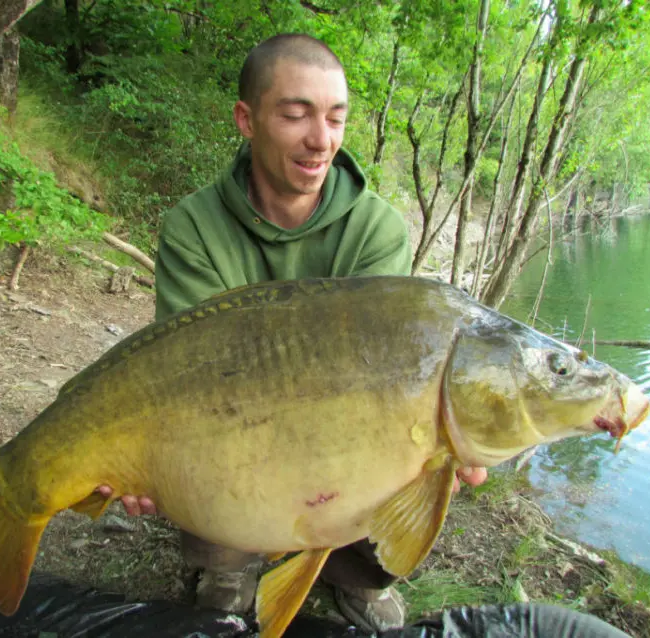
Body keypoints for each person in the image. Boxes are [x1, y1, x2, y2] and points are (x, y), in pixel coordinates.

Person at [115, 33, 488, 632]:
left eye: (335, 118)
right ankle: (229, 561)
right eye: (296, 115)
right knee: (195, 440)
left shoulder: (376, 229)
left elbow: (385, 377)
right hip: (233, 415)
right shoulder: (193, 225)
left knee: (401, 449)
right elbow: (186, 375)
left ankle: (356, 577)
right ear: (247, 118)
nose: (322, 140)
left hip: (341, 423)